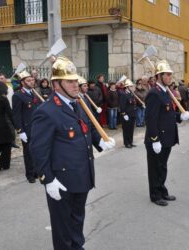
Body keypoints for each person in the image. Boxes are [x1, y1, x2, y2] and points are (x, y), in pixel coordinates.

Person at [30, 56, 115, 250]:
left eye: (76, 80)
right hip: (61, 179)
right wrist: (47, 179)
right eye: (70, 81)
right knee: (62, 226)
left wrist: (100, 141)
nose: (76, 85)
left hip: (82, 173)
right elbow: (39, 149)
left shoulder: (78, 103)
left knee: (77, 218)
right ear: (56, 85)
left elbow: (88, 129)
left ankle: (77, 246)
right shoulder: (47, 111)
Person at [144, 60, 189, 206]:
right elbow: (151, 119)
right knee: (155, 168)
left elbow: (167, 114)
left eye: (170, 74)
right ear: (159, 76)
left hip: (167, 137)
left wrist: (180, 117)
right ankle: (155, 195)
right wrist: (154, 139)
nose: (170, 77)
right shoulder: (154, 93)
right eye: (167, 74)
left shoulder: (165, 92)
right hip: (157, 138)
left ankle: (162, 190)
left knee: (162, 166)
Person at [12, 70, 42, 183]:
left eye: (32, 80)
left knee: (37, 151)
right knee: (28, 153)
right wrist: (20, 131)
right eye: (28, 80)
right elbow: (16, 115)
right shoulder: (18, 95)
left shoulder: (34, 93)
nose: (31, 82)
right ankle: (30, 174)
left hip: (37, 128)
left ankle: (36, 171)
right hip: (27, 129)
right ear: (22, 82)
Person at [120, 79, 137, 148]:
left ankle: (130, 142)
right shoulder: (124, 94)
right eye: (130, 86)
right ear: (127, 87)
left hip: (132, 114)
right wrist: (124, 114)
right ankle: (126, 143)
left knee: (131, 129)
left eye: (132, 86)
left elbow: (133, 104)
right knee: (126, 129)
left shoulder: (131, 94)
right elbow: (122, 105)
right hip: (127, 115)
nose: (132, 87)